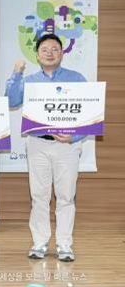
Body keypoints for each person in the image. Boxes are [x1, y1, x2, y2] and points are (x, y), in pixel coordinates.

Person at [5, 33, 86, 262]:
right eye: (44, 50)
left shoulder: (77, 79)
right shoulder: (29, 80)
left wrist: (75, 137)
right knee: (39, 196)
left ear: (62, 53)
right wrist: (17, 73)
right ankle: (39, 243)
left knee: (66, 196)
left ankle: (64, 245)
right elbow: (11, 101)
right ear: (37, 55)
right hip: (38, 144)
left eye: (54, 49)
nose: (50, 53)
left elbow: (90, 114)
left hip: (67, 146)